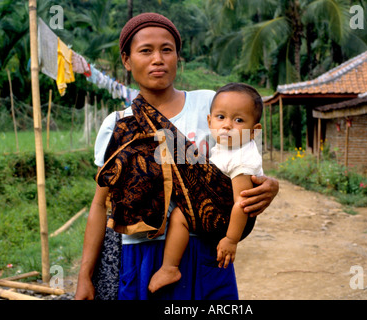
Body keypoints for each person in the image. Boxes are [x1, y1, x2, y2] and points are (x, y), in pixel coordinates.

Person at [75, 12, 279, 300]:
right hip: (139, 253)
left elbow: (244, 163)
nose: (158, 58)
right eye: (145, 51)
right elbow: (99, 205)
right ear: (126, 60)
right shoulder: (118, 124)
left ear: (177, 57)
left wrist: (270, 186)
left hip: (204, 250)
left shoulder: (211, 105)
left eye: (166, 50)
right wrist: (85, 275)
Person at [148, 83, 263, 293]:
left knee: (180, 217)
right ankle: (170, 267)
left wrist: (231, 239)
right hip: (214, 208)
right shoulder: (226, 146)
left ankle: (170, 267)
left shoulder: (243, 158)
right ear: (209, 121)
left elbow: (242, 202)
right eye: (221, 117)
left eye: (238, 120)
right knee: (179, 216)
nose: (227, 125)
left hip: (228, 219)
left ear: (254, 131)